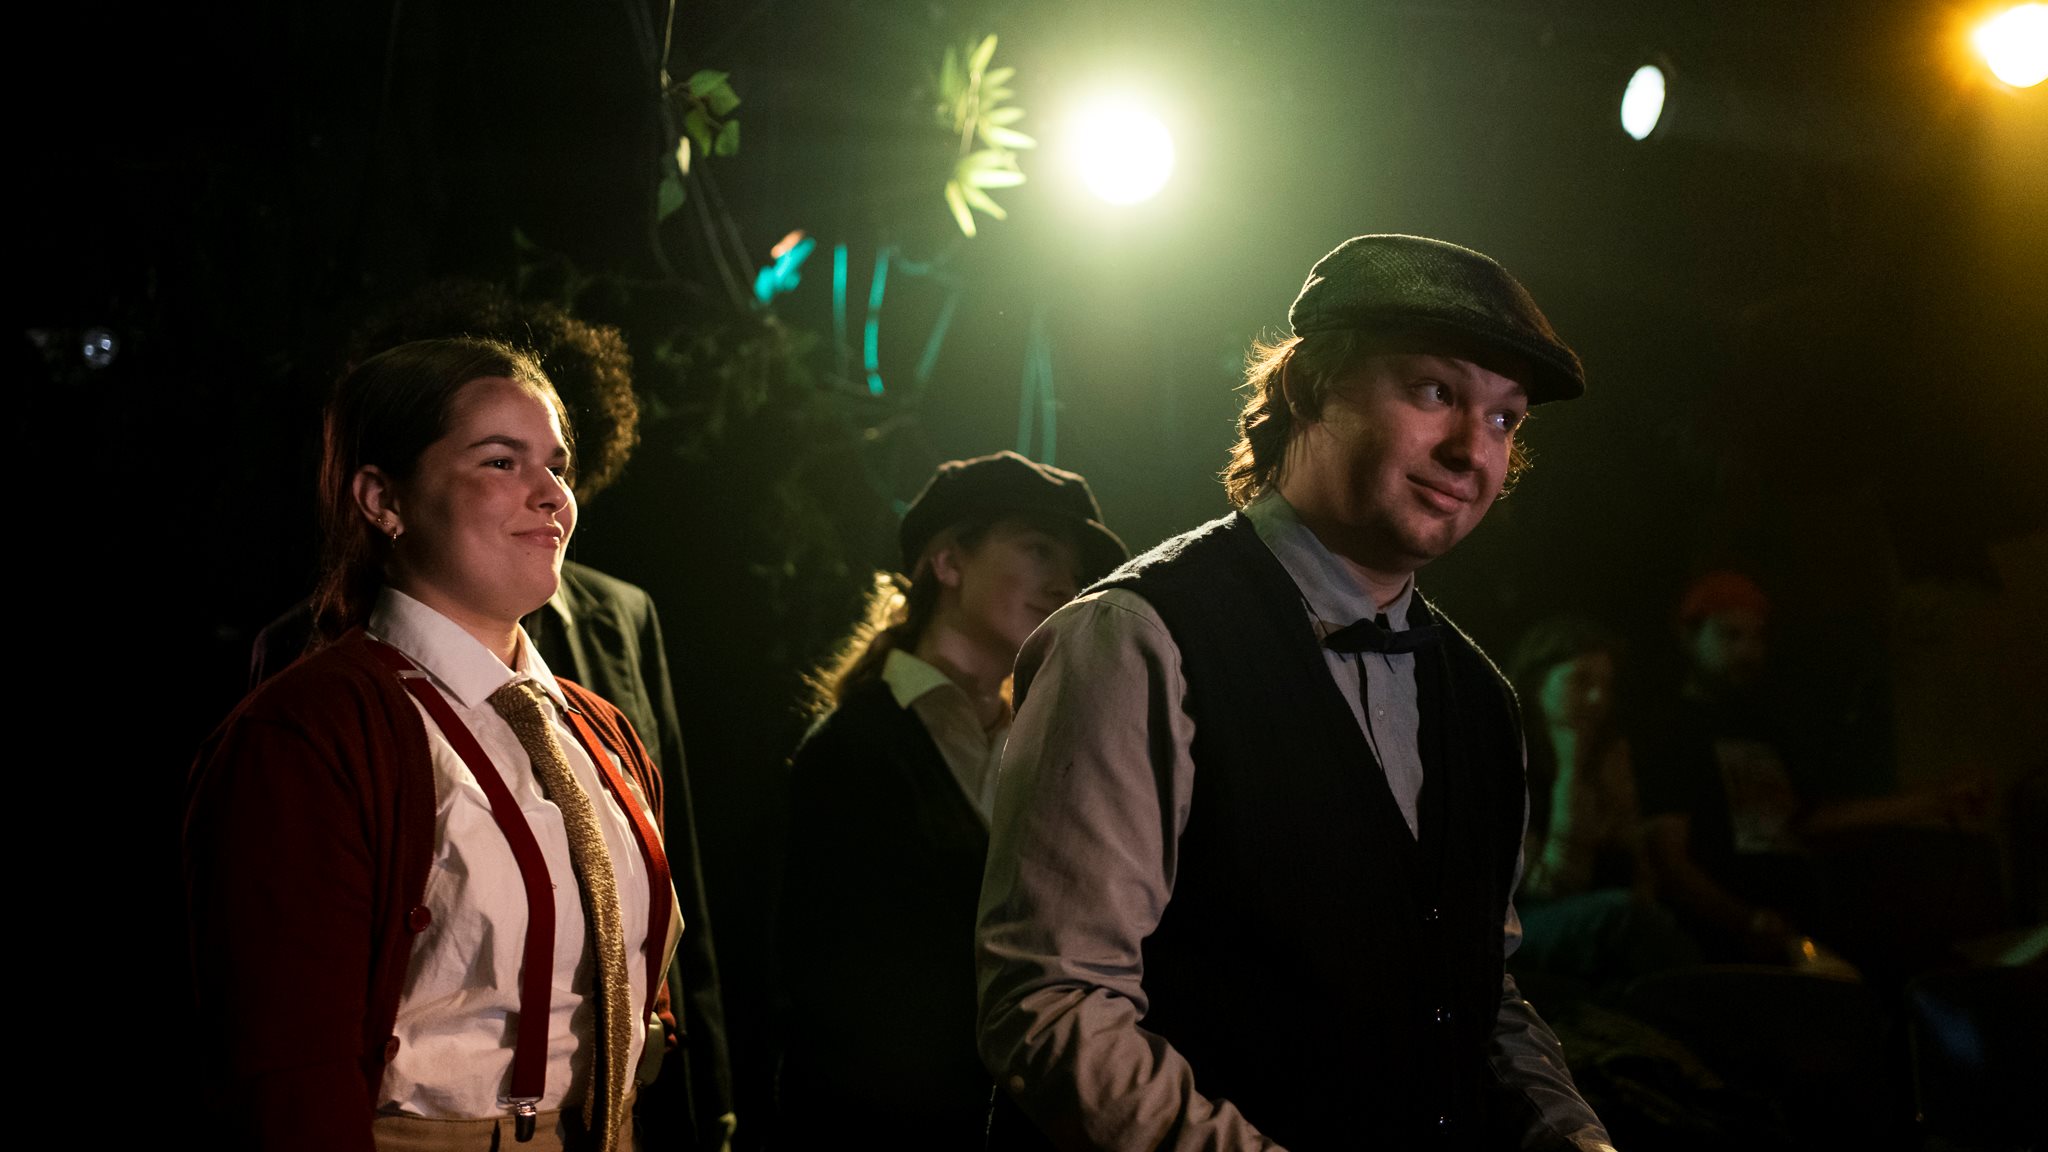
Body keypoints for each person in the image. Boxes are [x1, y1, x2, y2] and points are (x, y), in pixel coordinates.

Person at [977, 235, 1616, 1151]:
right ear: (1309, 387)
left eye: (1506, 420)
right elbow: (1051, 1009)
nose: (1473, 450)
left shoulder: (1481, 697)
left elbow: (1477, 994)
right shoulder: (1137, 637)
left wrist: (1573, 1139)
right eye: (1435, 392)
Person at [245, 282, 736, 1150]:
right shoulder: (313, 729)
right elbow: (284, 1063)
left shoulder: (597, 729)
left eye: (557, 465)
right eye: (500, 461)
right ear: (382, 499)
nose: (550, 494)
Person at [776, 451, 1126, 1146]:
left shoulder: (1046, 743)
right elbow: (829, 1001)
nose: (1065, 580)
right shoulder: (855, 749)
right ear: (948, 562)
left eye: (1074, 565)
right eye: (1036, 548)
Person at [1507, 617, 1696, 983]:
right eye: (1580, 682)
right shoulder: (1505, 758)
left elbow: (1637, 870)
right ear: (1536, 685)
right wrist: (1570, 771)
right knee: (1622, 917)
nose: (1598, 699)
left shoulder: (1608, 757)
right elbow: (1554, 886)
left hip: (1593, 913)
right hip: (1515, 925)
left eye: (1605, 686)